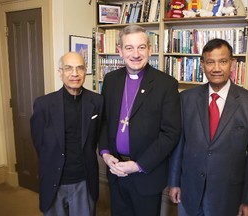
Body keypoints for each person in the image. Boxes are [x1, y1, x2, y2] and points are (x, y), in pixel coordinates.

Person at [168, 38, 248, 216]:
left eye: (222, 61)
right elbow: (179, 146)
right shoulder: (186, 99)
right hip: (189, 192)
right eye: (210, 62)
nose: (216, 68)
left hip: (228, 198)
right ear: (202, 65)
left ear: (232, 63)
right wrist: (174, 182)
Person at [99, 24, 181, 216]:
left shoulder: (166, 84)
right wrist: (105, 154)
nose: (135, 54)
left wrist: (138, 165)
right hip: (116, 171)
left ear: (150, 49)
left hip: (146, 174)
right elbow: (104, 121)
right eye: (129, 47)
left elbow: (171, 134)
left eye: (141, 47)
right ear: (120, 51)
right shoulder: (110, 80)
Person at [30, 52, 103, 216]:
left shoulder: (97, 102)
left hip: (84, 179)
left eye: (80, 68)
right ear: (60, 72)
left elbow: (97, 136)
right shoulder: (43, 105)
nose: (75, 74)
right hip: (54, 179)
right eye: (68, 68)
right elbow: (39, 143)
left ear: (85, 71)